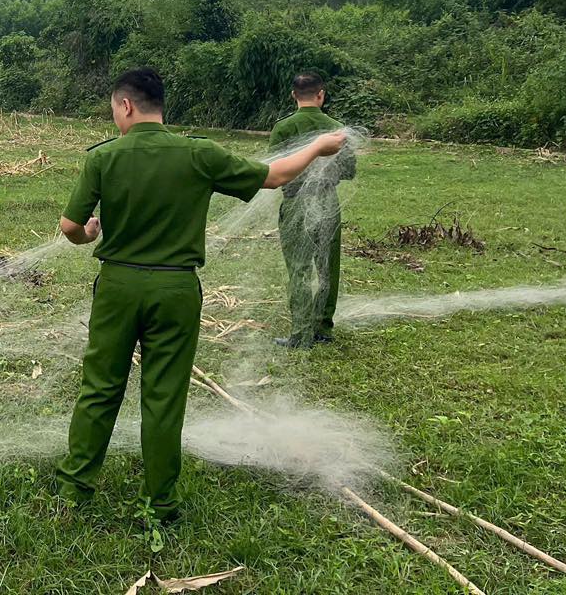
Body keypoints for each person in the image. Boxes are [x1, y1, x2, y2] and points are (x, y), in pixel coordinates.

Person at [55, 67, 346, 519]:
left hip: (117, 286)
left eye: (114, 109)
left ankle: (75, 489)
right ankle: (160, 503)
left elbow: (70, 227)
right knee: (164, 396)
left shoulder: (103, 158)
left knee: (100, 387)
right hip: (176, 288)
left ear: (125, 106)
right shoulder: (199, 153)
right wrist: (317, 147)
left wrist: (89, 233)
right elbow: (274, 177)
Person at [268, 71, 357, 349]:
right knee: (327, 267)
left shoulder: (283, 128)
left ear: (293, 95)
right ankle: (323, 328)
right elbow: (349, 170)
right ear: (321, 95)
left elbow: (275, 170)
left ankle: (300, 333)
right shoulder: (337, 129)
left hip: (296, 203)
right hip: (328, 201)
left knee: (299, 269)